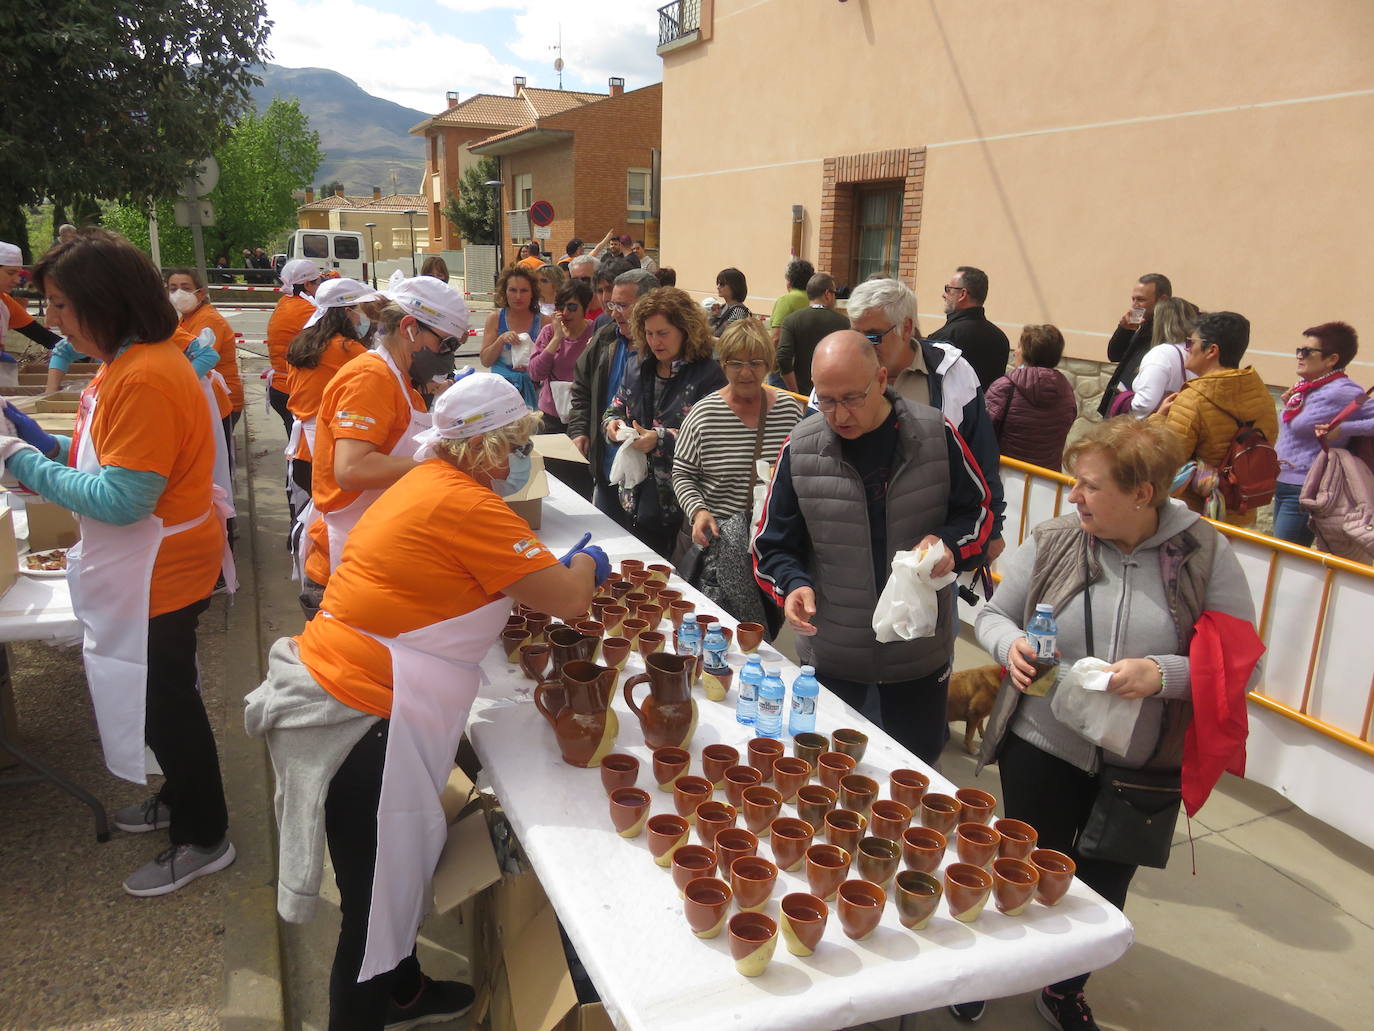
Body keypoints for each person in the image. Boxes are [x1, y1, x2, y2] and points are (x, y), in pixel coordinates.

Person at [247, 374, 610, 1031]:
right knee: (372, 902)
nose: (517, 461)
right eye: (515, 447)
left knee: (389, 872)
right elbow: (569, 600)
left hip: (348, 688)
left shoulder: (424, 481)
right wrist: (586, 565)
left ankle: (404, 989)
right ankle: (360, 1012)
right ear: (491, 448)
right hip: (364, 716)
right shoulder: (465, 504)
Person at [972, 417, 1255, 1030]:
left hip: (1141, 765)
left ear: (1142, 494)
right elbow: (992, 614)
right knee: (1022, 865)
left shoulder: (1205, 554)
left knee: (1102, 884)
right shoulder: (1055, 539)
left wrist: (1165, 675)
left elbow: (1241, 668)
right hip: (1043, 744)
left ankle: (1064, 987)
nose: (1073, 496)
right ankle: (987, 972)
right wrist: (1010, 645)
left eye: (1089, 486)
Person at [3, 228, 233, 896]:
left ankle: (205, 833)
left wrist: (23, 462)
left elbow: (123, 497)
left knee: (169, 704)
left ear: (104, 303)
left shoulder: (147, 376)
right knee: (156, 698)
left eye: (60, 306)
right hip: (152, 563)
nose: (50, 322)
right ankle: (180, 801)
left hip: (161, 566)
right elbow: (106, 453)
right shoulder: (129, 363)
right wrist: (35, 438)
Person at [752, 332, 994, 764]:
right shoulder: (802, 448)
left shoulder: (936, 435)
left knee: (913, 784)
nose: (839, 414)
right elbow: (772, 543)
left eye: (851, 398)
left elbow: (978, 514)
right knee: (828, 786)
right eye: (825, 400)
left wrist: (952, 546)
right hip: (832, 660)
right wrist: (791, 586)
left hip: (917, 659)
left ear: (882, 379)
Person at [298, 278, 465, 612]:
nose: (447, 357)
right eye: (445, 345)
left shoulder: (400, 380)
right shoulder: (370, 377)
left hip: (372, 547)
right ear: (409, 328)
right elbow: (351, 469)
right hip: (344, 562)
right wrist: (440, 467)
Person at [847, 277, 1007, 560]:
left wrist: (992, 530)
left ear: (906, 327)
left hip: (930, 549)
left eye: (871, 336)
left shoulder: (953, 373)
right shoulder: (841, 371)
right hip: (855, 544)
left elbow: (981, 456)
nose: (861, 347)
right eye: (854, 335)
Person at [672, 319, 804, 624]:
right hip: (718, 547)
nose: (745, 372)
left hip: (769, 548)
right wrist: (698, 511)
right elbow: (682, 473)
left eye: (756, 362)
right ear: (723, 364)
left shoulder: (788, 410)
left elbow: (798, 473)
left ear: (769, 363)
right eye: (735, 363)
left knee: (763, 627)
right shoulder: (704, 414)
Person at [604, 286, 727, 558]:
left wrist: (659, 439)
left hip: (685, 504)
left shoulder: (709, 375)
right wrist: (612, 427)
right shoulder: (636, 366)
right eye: (649, 333)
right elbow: (615, 409)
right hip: (635, 496)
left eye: (663, 333)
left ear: (685, 330)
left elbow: (713, 435)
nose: (655, 341)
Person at [1151, 311, 1277, 526]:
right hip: (1241, 513)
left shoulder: (1193, 398)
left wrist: (1157, 418)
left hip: (1194, 517)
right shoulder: (1261, 395)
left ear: (1212, 350)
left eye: (1191, 342)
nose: (1187, 348)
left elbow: (1166, 459)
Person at [567, 268, 660, 525]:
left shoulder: (666, 351)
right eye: (611, 304)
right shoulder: (605, 337)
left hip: (651, 482)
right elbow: (582, 389)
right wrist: (579, 431)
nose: (613, 312)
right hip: (607, 470)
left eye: (622, 305)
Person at [1273, 322, 1374, 546]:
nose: (1300, 356)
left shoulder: (1343, 391)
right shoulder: (1306, 387)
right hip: (1282, 482)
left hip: (1305, 488)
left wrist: (1343, 429)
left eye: (1307, 351)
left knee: (1281, 558)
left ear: (1332, 359)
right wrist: (1288, 405)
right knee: (1278, 558)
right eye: (1299, 350)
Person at [285, 278, 378, 510]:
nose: (362, 318)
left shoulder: (303, 341)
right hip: (324, 454)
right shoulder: (348, 349)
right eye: (360, 311)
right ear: (347, 312)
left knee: (308, 518)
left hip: (301, 450)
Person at [528, 279, 596, 498]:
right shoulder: (549, 332)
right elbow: (535, 373)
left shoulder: (595, 334)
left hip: (582, 416)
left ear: (585, 308)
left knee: (580, 480)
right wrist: (557, 339)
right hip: (552, 416)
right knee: (553, 479)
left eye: (572, 307)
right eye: (560, 307)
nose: (565, 312)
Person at [985, 324, 1078, 471]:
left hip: (1005, 476)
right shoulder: (1065, 390)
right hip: (1046, 480)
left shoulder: (1004, 387)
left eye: (1019, 347)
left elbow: (983, 432)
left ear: (1026, 352)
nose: (1015, 352)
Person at [166, 267, 245, 440]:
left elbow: (204, 359)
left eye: (185, 288)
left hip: (220, 401)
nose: (178, 293)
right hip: (206, 400)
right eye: (173, 289)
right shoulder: (184, 319)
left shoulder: (207, 319)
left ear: (200, 294)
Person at [1097, 273, 1173, 417]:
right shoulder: (1141, 324)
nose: (1134, 305)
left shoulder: (1168, 332)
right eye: (1133, 299)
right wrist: (1124, 330)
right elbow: (1114, 355)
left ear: (1162, 300)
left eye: (1141, 300)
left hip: (1135, 412)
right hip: (1119, 404)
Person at [925, 266, 1011, 391]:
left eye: (948, 289)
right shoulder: (1000, 338)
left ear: (962, 294)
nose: (944, 295)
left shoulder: (943, 339)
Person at [267, 259, 324, 437]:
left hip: (280, 385)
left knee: (297, 451)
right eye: (318, 282)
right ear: (307, 284)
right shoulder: (307, 310)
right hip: (294, 390)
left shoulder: (286, 302)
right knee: (303, 457)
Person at [480, 265, 544, 409]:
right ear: (505, 292)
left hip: (534, 393)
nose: (518, 296)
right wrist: (501, 340)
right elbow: (485, 360)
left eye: (524, 291)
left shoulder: (544, 322)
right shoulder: (495, 318)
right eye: (513, 290)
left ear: (532, 293)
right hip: (501, 394)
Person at [777, 272, 848, 394]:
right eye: (834, 293)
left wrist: (795, 392)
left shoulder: (791, 320)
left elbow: (783, 358)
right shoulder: (844, 323)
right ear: (827, 294)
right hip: (834, 393)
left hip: (802, 392)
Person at [1128, 297, 1199, 417]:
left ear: (1159, 322)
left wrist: (1122, 400)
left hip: (1156, 427)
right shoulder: (1196, 350)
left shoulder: (1160, 354)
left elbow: (1143, 405)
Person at [1, 240, 62, 356]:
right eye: (10, 273)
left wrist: (87, 353)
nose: (17, 280)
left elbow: (43, 336)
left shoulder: (5, 304)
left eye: (18, 274)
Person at [770, 259, 814, 352]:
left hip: (789, 359)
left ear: (789, 281)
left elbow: (776, 337)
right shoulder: (815, 299)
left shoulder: (785, 300)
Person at [710, 268, 752, 336]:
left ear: (734, 286)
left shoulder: (738, 311)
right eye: (717, 283)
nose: (718, 287)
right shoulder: (722, 307)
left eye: (722, 284)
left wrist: (708, 339)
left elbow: (730, 339)